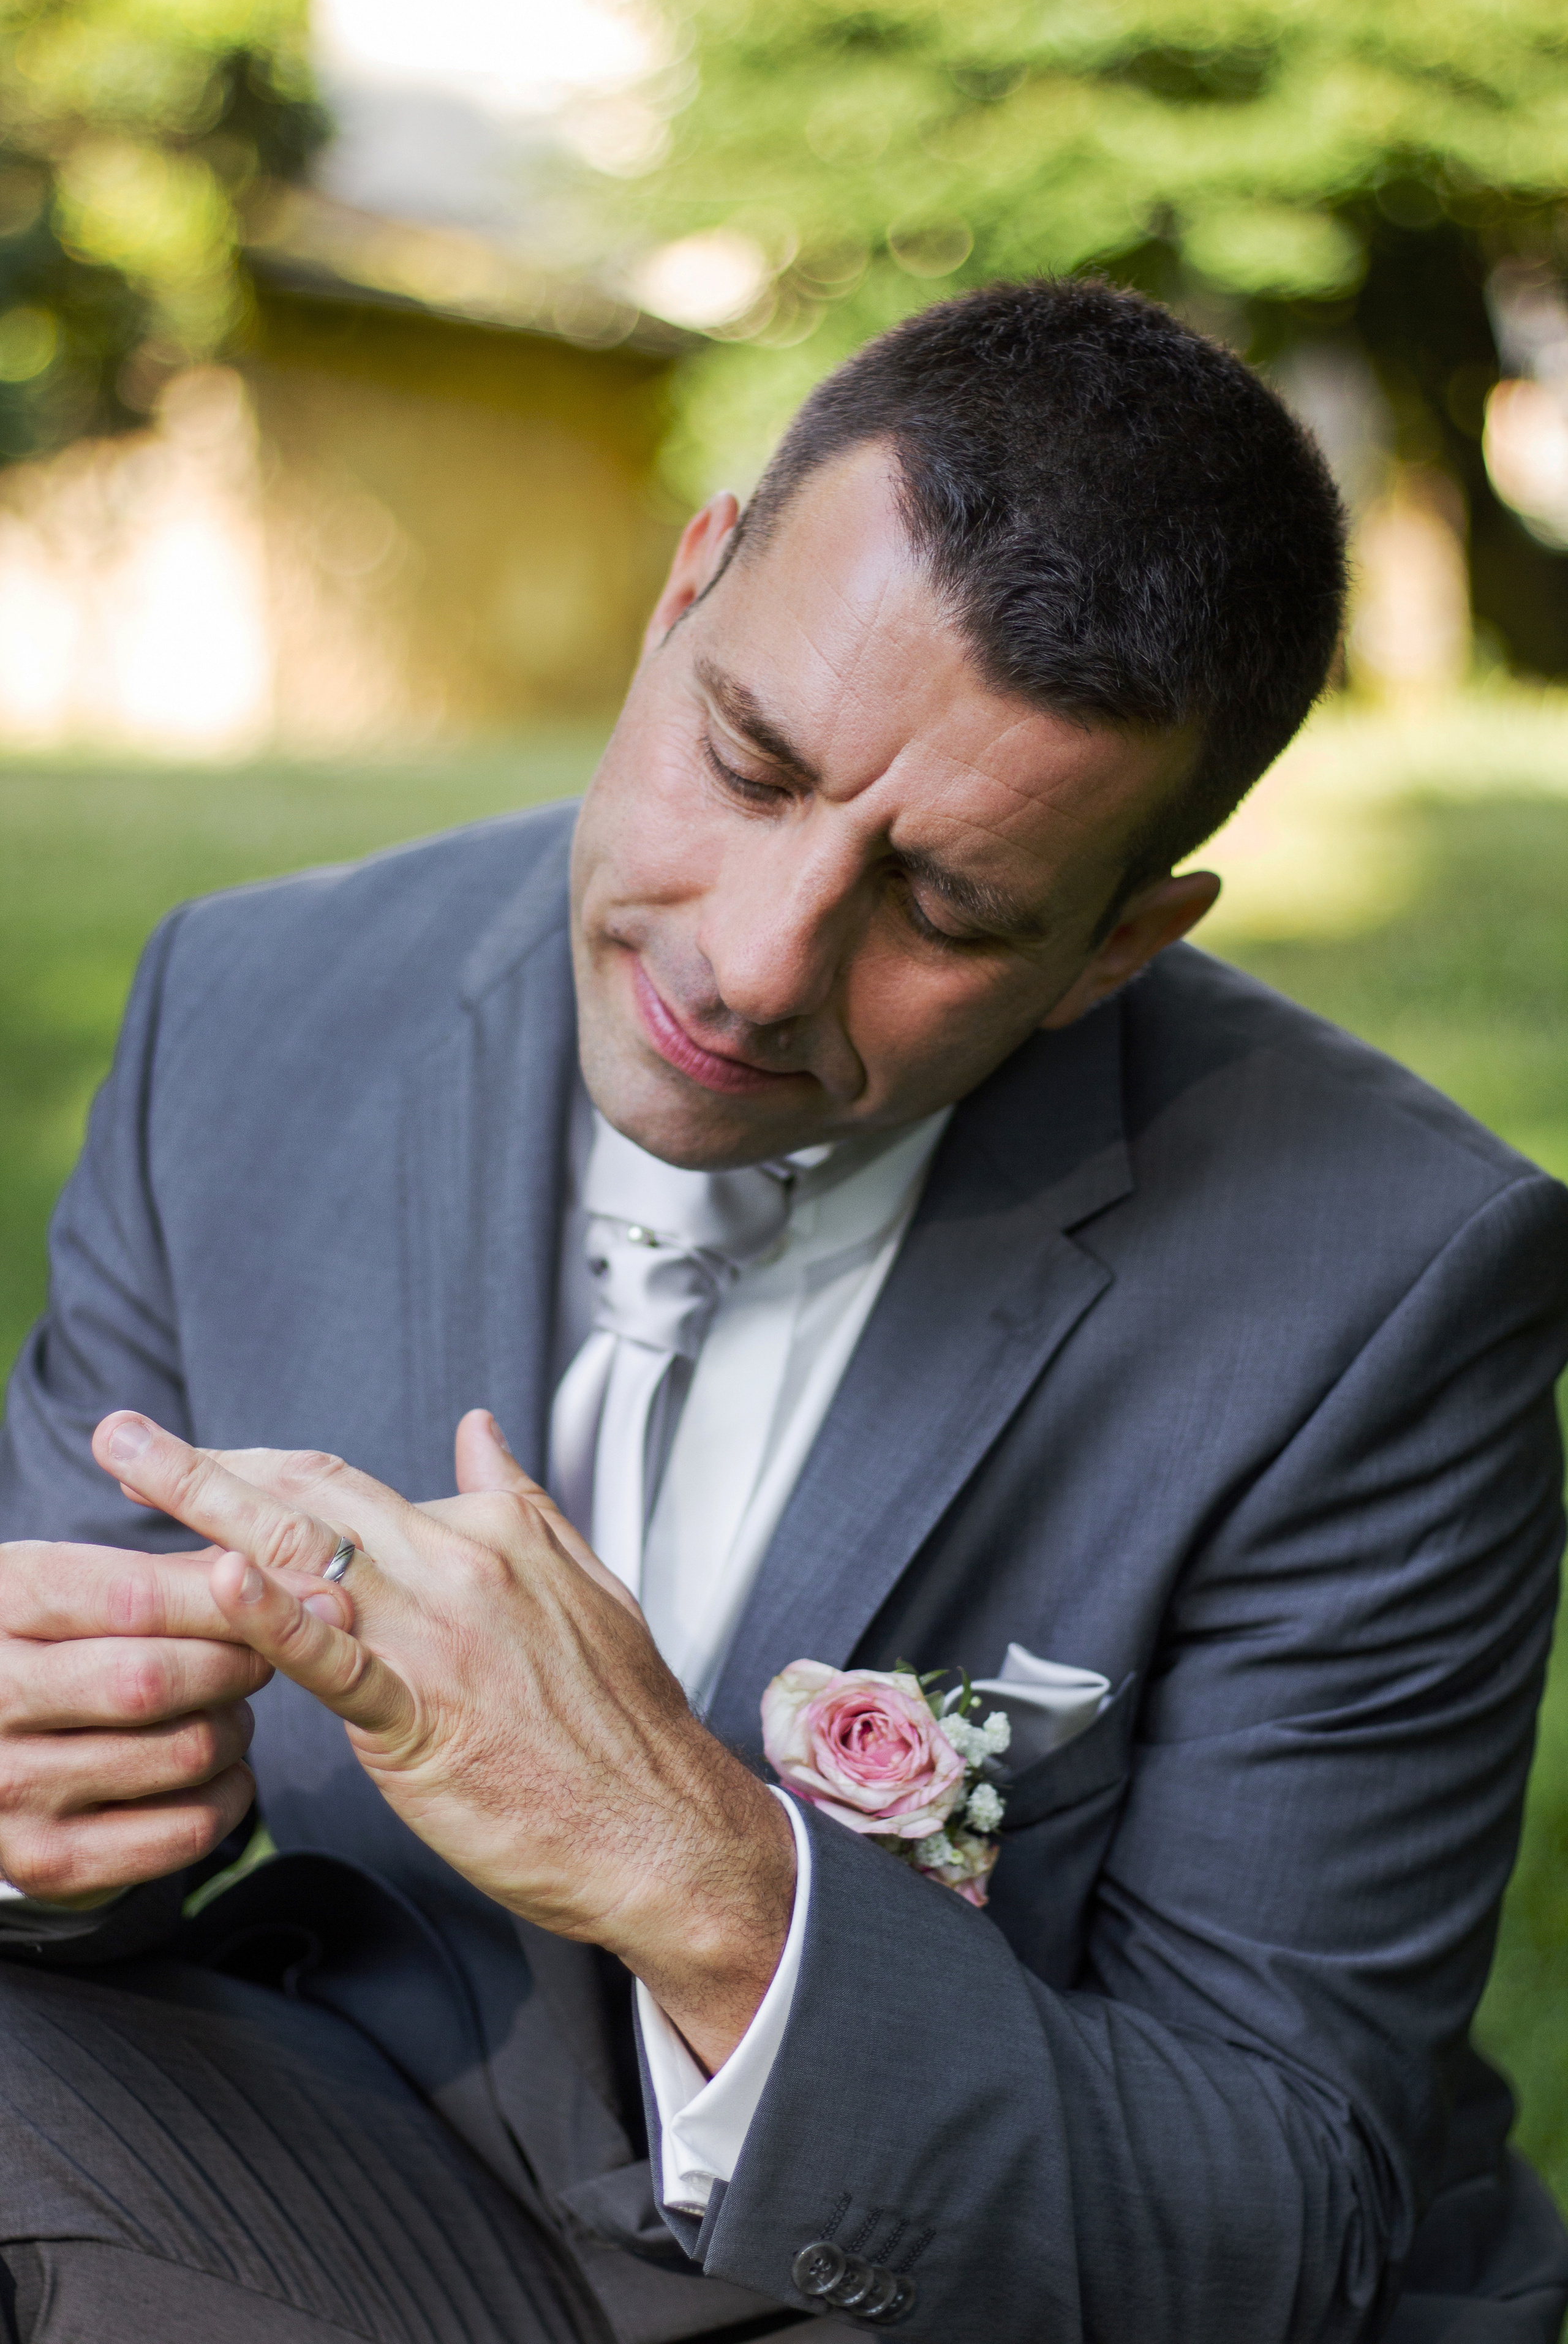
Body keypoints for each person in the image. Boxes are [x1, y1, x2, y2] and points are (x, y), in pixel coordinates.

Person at [0, 277, 1564, 2344]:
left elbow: (1277, 2215)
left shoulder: (1384, 1286)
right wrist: (39, 1819)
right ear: (687, 595)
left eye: (948, 906)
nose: (753, 964)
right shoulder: (253, 1014)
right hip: (365, 2175)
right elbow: (66, 1813)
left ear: (1119, 946)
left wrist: (708, 1877)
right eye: (748, 763)